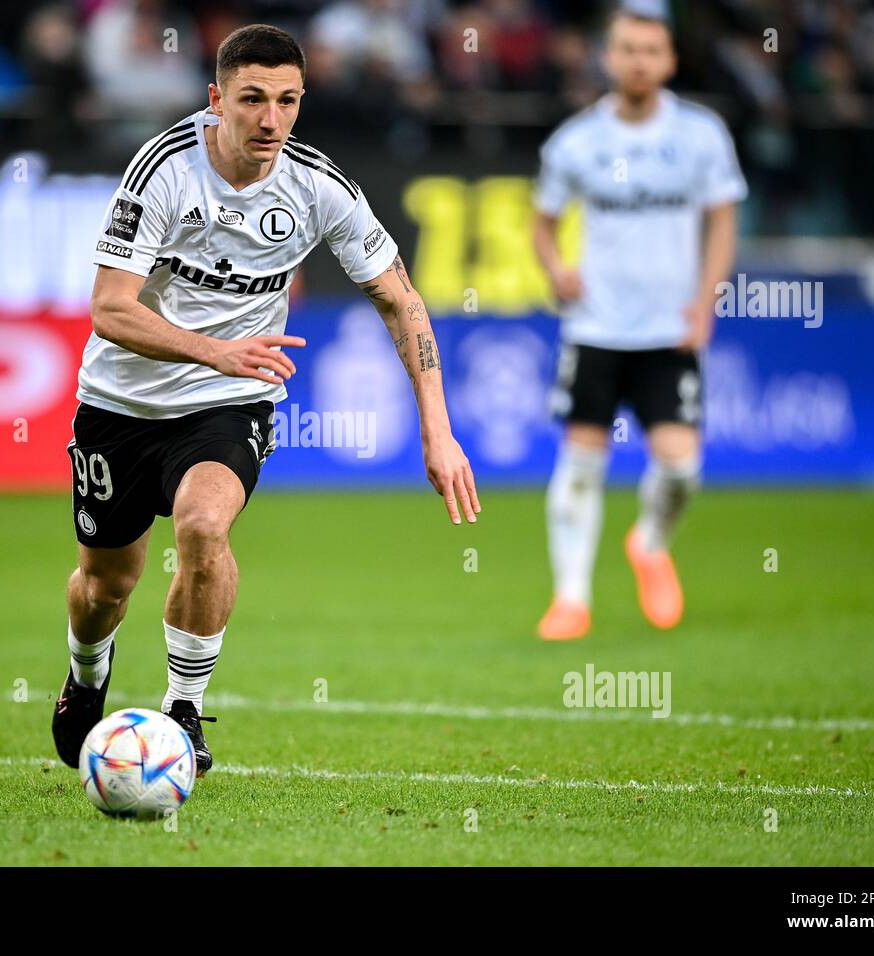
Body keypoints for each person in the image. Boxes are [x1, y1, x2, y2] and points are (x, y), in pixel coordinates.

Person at [53, 24, 480, 773]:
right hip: (120, 402)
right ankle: (86, 673)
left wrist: (438, 432)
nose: (270, 119)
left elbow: (402, 300)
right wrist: (218, 347)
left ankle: (182, 711)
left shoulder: (319, 187)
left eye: (287, 101)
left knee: (204, 525)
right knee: (105, 585)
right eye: (252, 99)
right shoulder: (162, 171)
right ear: (217, 100)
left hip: (228, 401)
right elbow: (111, 309)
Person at [532, 8, 745, 642]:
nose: (639, 60)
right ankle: (570, 598)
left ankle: (650, 542)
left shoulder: (701, 134)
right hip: (594, 327)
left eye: (651, 50)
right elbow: (542, 223)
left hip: (669, 328)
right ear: (608, 56)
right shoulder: (575, 142)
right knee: (580, 463)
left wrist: (706, 301)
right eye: (627, 49)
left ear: (670, 60)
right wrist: (556, 268)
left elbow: (722, 220)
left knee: (681, 467)